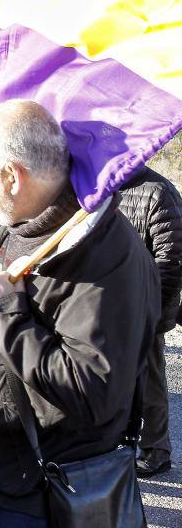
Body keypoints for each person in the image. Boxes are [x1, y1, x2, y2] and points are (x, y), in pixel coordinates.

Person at [0, 100, 160, 526]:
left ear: (13, 176)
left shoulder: (103, 256)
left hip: (47, 483)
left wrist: (4, 314)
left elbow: (91, 389)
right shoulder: (27, 220)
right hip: (7, 466)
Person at [119, 167, 182, 477]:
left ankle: (156, 451)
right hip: (110, 303)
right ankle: (120, 444)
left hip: (147, 305)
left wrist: (153, 309)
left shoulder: (158, 191)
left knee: (150, 380)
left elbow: (171, 260)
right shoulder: (99, 184)